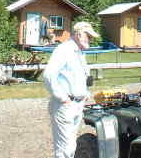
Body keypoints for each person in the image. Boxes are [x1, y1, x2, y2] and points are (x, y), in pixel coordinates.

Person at [42, 21, 99, 158]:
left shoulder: (79, 53)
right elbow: (49, 75)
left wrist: (85, 93)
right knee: (65, 149)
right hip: (65, 105)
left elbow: (80, 76)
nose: (90, 39)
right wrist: (62, 97)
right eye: (88, 36)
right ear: (79, 34)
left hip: (77, 105)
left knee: (71, 145)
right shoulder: (64, 50)